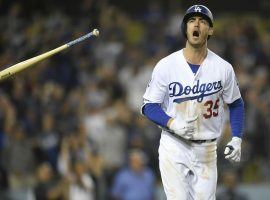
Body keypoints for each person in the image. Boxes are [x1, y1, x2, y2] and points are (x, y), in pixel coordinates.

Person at [141, 4, 245, 200]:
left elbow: (236, 103)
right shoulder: (166, 66)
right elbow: (148, 106)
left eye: (202, 21)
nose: (196, 24)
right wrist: (172, 123)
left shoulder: (223, 68)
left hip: (207, 149)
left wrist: (237, 137)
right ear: (185, 28)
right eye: (191, 20)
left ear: (210, 30)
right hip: (174, 145)